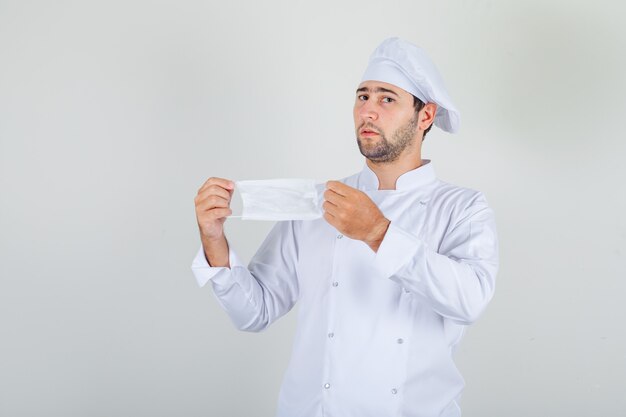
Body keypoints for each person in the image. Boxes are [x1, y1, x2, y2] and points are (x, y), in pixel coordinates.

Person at [191, 37, 499, 417]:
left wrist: (378, 233)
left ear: (425, 116)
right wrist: (213, 238)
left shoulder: (462, 208)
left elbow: (469, 301)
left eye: (387, 98)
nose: (368, 111)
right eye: (362, 97)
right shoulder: (318, 202)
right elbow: (255, 312)